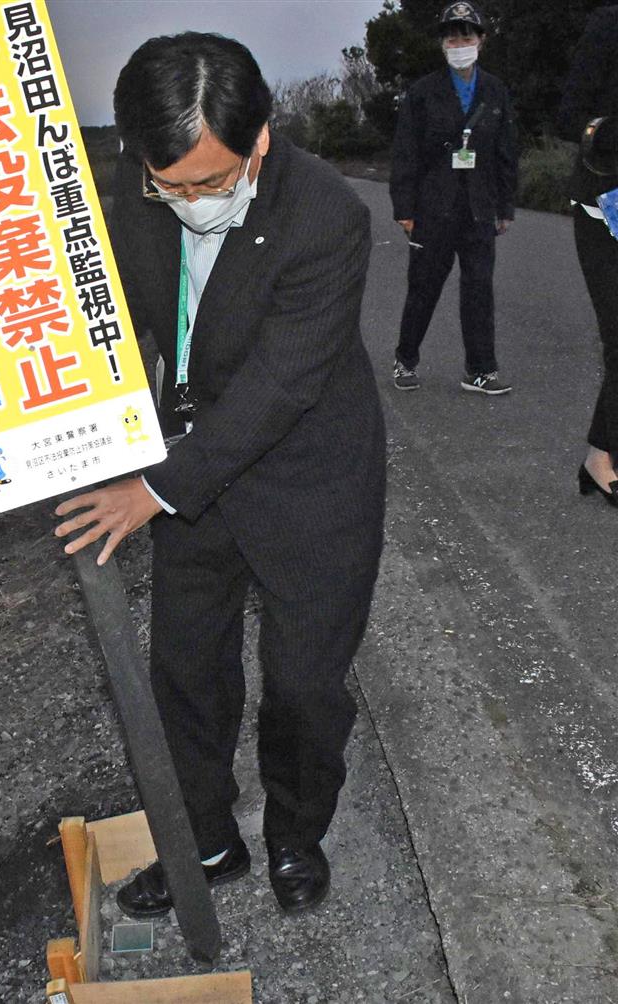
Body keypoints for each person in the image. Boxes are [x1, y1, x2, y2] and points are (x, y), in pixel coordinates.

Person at [54, 32, 386, 916]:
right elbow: (116, 319)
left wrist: (156, 488)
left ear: (260, 141)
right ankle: (204, 840)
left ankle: (295, 836)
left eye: (211, 181)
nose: (191, 202)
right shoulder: (133, 194)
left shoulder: (327, 215)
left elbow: (283, 384)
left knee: (306, 685)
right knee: (185, 673)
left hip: (309, 475)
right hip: (191, 469)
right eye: (172, 185)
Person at [389, 1, 518, 395]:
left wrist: (505, 206)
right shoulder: (423, 92)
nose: (459, 42)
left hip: (479, 207)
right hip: (433, 208)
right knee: (424, 287)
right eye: (451, 36)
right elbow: (405, 153)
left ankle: (480, 370)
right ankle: (405, 360)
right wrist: (405, 209)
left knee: (479, 287)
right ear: (442, 43)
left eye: (466, 35)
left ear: (481, 40)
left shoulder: (495, 90)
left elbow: (506, 152)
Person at [557, 5, 618, 507]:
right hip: (607, 202)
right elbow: (569, 115)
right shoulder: (608, 24)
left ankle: (600, 453)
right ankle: (603, 459)